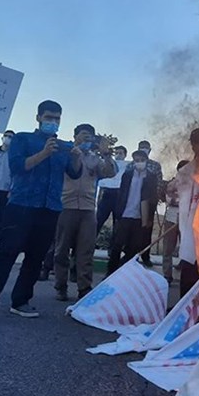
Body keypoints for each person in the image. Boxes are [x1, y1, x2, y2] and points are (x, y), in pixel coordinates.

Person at [0, 100, 82, 323]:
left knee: (35, 258)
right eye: (49, 117)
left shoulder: (63, 147)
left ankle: (20, 301)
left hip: (50, 208)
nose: (53, 122)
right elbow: (18, 167)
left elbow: (75, 174)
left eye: (57, 118)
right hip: (21, 206)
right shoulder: (22, 139)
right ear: (39, 117)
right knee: (5, 255)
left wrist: (76, 157)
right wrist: (44, 153)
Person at [53, 124, 116, 301]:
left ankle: (84, 288)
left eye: (90, 137)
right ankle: (60, 286)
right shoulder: (65, 154)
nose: (87, 139)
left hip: (88, 209)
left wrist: (106, 153)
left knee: (85, 251)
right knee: (61, 249)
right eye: (84, 135)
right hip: (66, 206)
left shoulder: (94, 159)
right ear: (75, 136)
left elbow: (109, 173)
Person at [169, 128, 199, 299]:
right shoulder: (186, 170)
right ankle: (184, 308)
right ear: (192, 145)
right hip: (189, 226)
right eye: (196, 142)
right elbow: (173, 191)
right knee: (189, 266)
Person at [107, 150, 159, 276]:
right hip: (125, 214)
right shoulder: (128, 174)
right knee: (117, 245)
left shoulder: (151, 177)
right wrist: (118, 211)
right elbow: (121, 194)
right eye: (136, 160)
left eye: (141, 160)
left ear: (146, 161)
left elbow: (153, 198)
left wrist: (149, 216)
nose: (139, 162)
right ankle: (111, 273)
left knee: (134, 248)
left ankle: (125, 273)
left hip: (140, 216)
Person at [127, 140, 163, 267]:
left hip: (148, 203)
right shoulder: (131, 165)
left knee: (146, 230)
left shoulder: (155, 165)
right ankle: (130, 256)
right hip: (132, 203)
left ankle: (145, 256)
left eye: (146, 148)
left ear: (149, 150)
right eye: (141, 147)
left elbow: (159, 182)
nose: (144, 149)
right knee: (133, 229)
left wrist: (155, 199)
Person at [161, 160, 188, 284]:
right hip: (171, 219)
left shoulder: (194, 184)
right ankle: (167, 275)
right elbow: (170, 200)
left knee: (186, 249)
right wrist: (183, 201)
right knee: (168, 249)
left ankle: (184, 272)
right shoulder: (172, 184)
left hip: (186, 220)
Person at [96, 145, 128, 235]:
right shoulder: (108, 164)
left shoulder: (127, 166)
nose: (118, 155)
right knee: (98, 220)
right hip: (106, 193)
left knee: (117, 224)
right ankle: (89, 244)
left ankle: (113, 247)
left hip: (119, 194)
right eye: (116, 153)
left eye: (121, 153)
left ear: (125, 155)